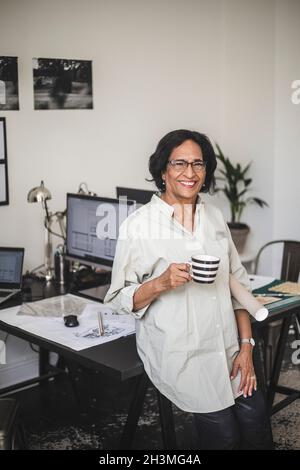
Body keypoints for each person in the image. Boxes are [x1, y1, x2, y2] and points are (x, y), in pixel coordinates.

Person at [104, 129, 274, 450]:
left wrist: (247, 346)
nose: (190, 173)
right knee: (225, 436)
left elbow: (236, 284)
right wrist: (161, 282)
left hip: (228, 349)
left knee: (256, 427)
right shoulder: (138, 226)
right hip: (181, 356)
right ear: (163, 171)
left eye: (198, 164)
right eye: (180, 163)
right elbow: (118, 297)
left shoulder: (214, 218)